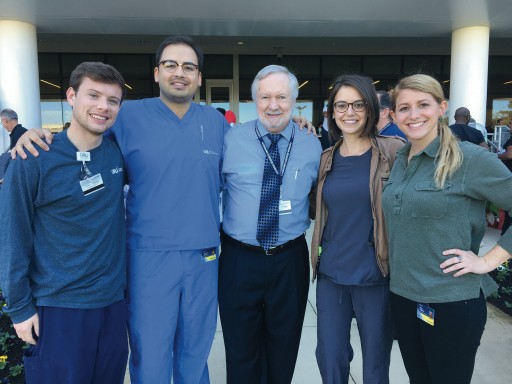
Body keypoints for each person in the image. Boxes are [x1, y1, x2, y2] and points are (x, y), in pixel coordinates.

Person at [13, 35, 313, 384]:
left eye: (189, 67)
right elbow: (85, 143)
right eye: (170, 65)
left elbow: (264, 145)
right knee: (151, 355)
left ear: (199, 77)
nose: (179, 73)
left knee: (194, 353)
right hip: (148, 258)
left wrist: (299, 126)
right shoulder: (128, 117)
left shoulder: (217, 125)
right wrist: (34, 137)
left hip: (205, 258)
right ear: (156, 73)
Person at [0, 62, 128, 383]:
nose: (103, 106)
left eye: (112, 100)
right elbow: (13, 235)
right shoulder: (32, 157)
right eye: (93, 95)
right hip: (58, 309)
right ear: (71, 96)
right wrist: (19, 307)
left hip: (112, 306)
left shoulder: (117, 154)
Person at [383, 74, 512, 384]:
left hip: (452, 301)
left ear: (441, 107)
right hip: (403, 297)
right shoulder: (401, 158)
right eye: (404, 108)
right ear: (393, 114)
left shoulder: (469, 159)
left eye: (423, 105)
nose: (413, 115)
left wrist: (487, 261)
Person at [219, 64, 322, 384]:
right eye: (265, 97)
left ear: (294, 100)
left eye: (281, 96)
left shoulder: (312, 142)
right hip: (239, 259)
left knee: (284, 345)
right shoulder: (230, 139)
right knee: (240, 348)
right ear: (254, 100)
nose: (273, 105)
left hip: (289, 260)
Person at [310, 75, 404, 384]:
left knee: (375, 363)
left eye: (358, 104)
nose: (349, 112)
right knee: (330, 357)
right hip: (332, 275)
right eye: (341, 105)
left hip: (375, 274)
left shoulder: (393, 151)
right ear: (332, 112)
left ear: (370, 109)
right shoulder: (327, 158)